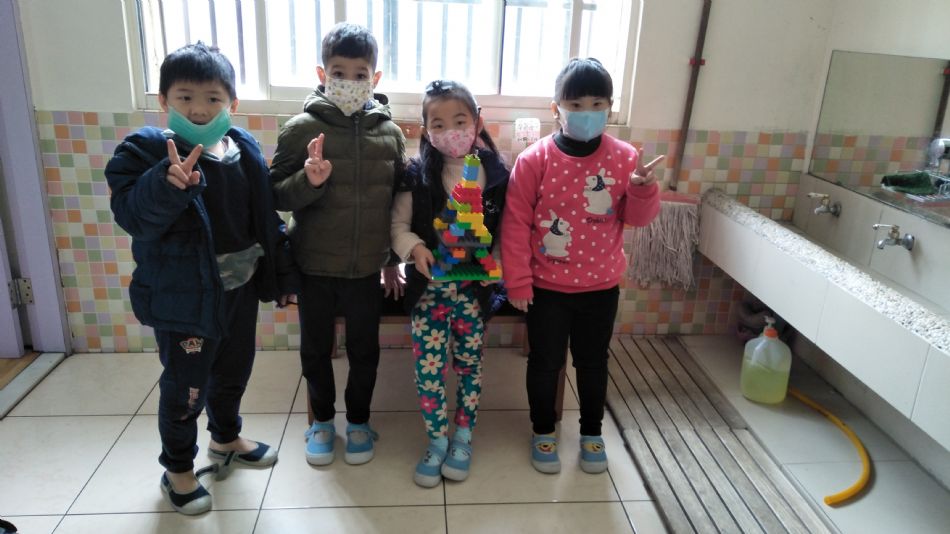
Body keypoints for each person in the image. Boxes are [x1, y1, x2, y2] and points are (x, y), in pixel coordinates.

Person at [105, 42, 296, 515]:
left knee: (234, 372)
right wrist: (165, 184)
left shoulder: (242, 148)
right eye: (185, 97)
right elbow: (134, 216)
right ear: (163, 101)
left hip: (239, 289)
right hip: (185, 299)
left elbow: (264, 219)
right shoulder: (145, 151)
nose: (199, 108)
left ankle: (225, 438)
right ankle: (178, 470)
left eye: (213, 98)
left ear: (232, 103)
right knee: (186, 388)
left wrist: (284, 275)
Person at [500, 58, 662, 475]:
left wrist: (644, 189)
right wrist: (517, 282)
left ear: (610, 106)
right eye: (576, 104)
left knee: (593, 364)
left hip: (601, 288)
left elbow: (638, 219)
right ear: (556, 108)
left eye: (597, 104)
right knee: (545, 363)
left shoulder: (625, 158)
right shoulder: (534, 160)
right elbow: (515, 224)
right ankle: (543, 431)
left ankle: (592, 433)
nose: (587, 112)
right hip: (546, 289)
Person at [269, 23, 407, 467]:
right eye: (339, 72)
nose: (350, 81)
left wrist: (391, 261)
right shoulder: (300, 129)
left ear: (375, 78)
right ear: (322, 74)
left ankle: (360, 421)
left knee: (365, 351)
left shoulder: (391, 134)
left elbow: (396, 204)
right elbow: (274, 194)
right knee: (315, 351)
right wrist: (309, 181)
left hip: (367, 269)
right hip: (313, 267)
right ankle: (323, 423)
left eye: (360, 73)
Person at [391, 80, 509, 487]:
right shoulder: (416, 175)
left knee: (470, 365)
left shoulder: (496, 174)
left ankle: (463, 437)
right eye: (438, 124)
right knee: (429, 371)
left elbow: (505, 231)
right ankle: (437, 440)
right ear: (426, 130)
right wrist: (415, 248)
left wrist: (496, 265)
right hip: (428, 295)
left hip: (474, 295)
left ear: (478, 123)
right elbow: (398, 226)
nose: (450, 131)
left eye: (460, 121)